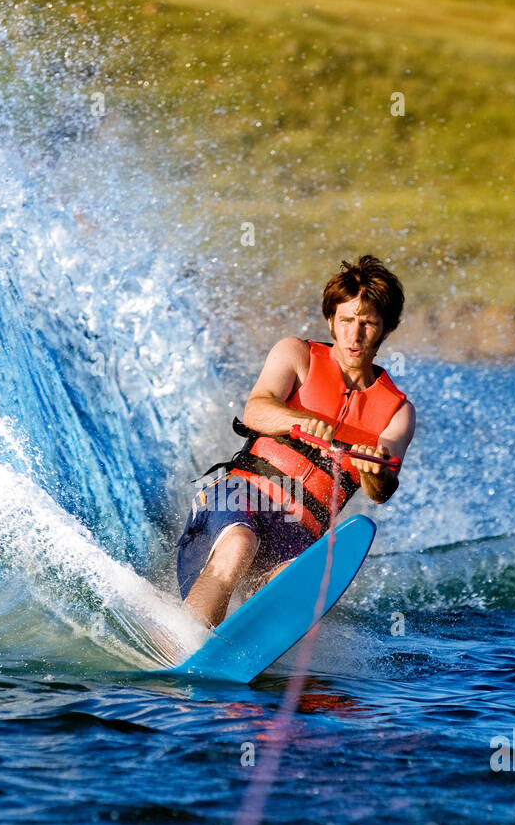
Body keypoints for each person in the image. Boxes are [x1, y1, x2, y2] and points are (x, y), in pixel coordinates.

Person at [177, 255, 416, 628]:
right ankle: (185, 643)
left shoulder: (397, 411)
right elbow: (256, 411)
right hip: (240, 496)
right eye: (347, 321)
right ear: (331, 321)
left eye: (367, 324)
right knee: (239, 545)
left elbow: (381, 490)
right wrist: (299, 419)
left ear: (385, 330)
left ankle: (237, 649)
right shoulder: (296, 354)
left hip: (300, 527)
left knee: (291, 584)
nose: (355, 336)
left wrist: (374, 471)